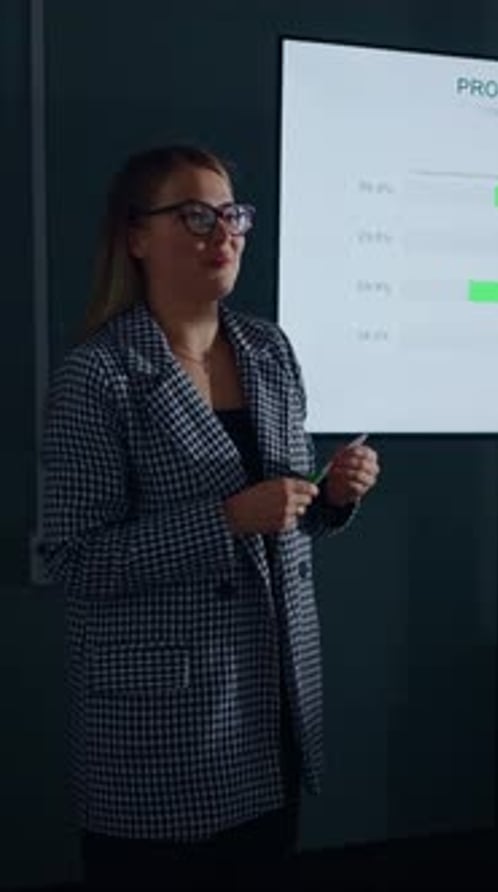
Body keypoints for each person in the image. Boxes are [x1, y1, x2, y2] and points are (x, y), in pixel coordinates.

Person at [41, 145, 380, 890]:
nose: (223, 233)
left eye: (232, 216)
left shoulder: (268, 349)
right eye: (196, 216)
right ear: (136, 236)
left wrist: (331, 499)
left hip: (269, 709)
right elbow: (71, 560)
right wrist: (226, 518)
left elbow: (281, 521)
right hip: (163, 733)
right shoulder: (98, 377)